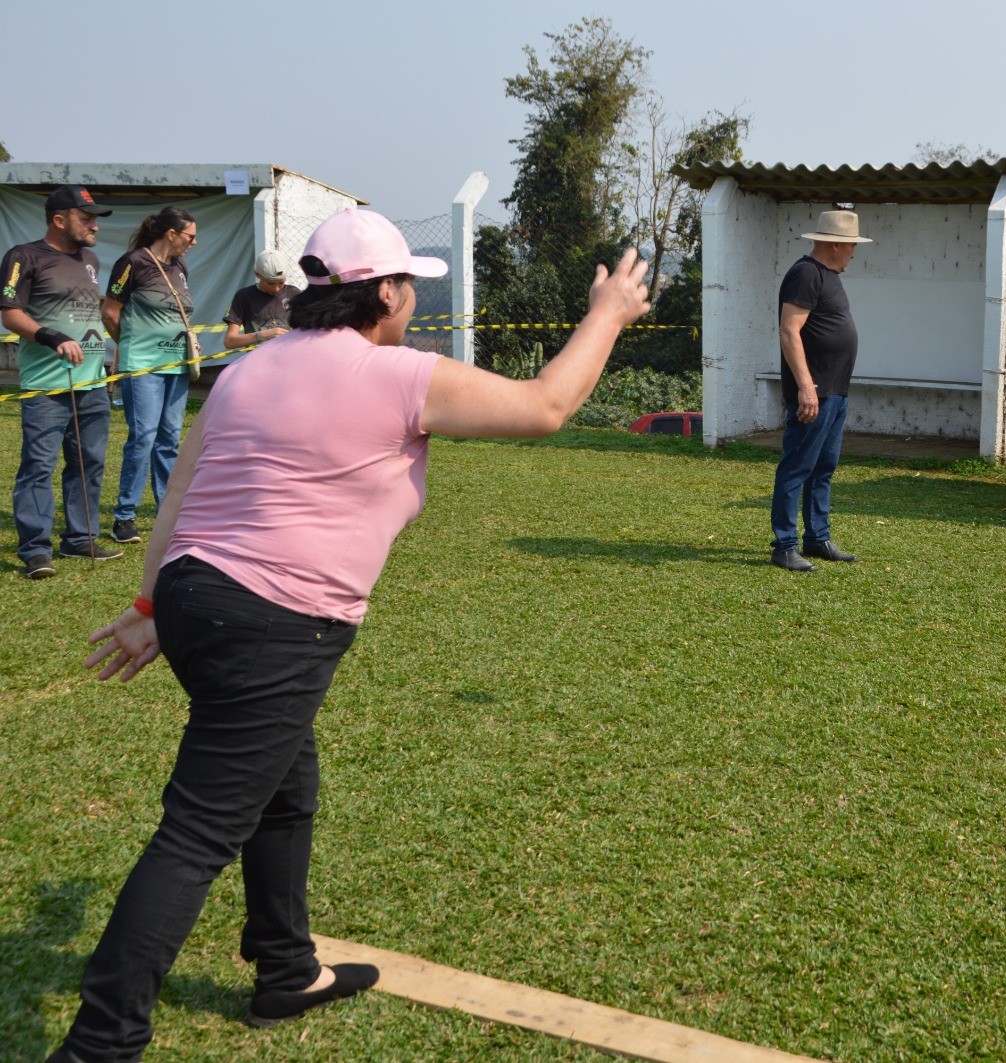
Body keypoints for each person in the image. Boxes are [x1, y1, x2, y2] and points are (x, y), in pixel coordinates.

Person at [51, 208, 651, 1061]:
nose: (412, 301)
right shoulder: (397, 374)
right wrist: (608, 315)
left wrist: (152, 609)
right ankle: (99, 1044)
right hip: (272, 623)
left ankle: (285, 967)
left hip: (194, 599)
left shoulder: (251, 369)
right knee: (196, 833)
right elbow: (545, 406)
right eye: (409, 286)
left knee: (284, 781)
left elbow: (180, 492)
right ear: (387, 294)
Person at [1, 185, 123, 578]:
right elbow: (10, 313)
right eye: (86, 218)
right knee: (38, 466)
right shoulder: (23, 256)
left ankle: (79, 538)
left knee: (89, 462)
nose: (94, 227)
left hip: (91, 386)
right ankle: (36, 549)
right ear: (59, 219)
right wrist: (53, 337)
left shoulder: (90, 259)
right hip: (47, 388)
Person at [769, 209, 871, 572]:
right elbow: (788, 331)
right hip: (816, 392)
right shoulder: (806, 274)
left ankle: (817, 538)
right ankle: (784, 545)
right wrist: (806, 388)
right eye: (850, 246)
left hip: (835, 390)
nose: (853, 254)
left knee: (823, 466)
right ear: (834, 244)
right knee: (797, 466)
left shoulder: (828, 274)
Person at [102, 206, 199, 546]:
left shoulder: (180, 266)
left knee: (169, 439)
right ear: (170, 234)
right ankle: (124, 518)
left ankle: (167, 512)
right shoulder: (133, 262)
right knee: (143, 437)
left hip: (177, 367)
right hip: (142, 366)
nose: (194, 242)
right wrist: (131, 348)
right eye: (190, 236)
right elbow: (110, 312)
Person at [222, 249, 299, 351]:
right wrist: (261, 335)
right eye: (270, 283)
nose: (276, 288)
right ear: (257, 274)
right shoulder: (244, 296)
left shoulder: (294, 293)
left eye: (281, 282)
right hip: (259, 361)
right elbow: (229, 341)